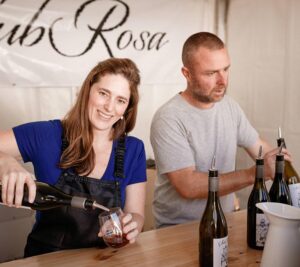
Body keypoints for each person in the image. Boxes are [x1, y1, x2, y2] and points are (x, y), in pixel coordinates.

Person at [0, 58, 147, 256]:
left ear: (126, 109)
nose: (109, 107)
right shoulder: (46, 135)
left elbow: (136, 213)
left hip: (105, 259)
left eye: (120, 100)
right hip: (47, 260)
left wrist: (132, 225)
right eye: (104, 94)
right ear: (87, 91)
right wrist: (5, 161)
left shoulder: (134, 149)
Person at [150, 32, 291, 228]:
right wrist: (255, 173)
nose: (222, 81)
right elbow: (188, 186)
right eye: (211, 73)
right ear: (187, 74)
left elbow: (261, 149)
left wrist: (284, 167)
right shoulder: (168, 117)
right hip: (178, 229)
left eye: (225, 69)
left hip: (224, 222)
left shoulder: (229, 106)